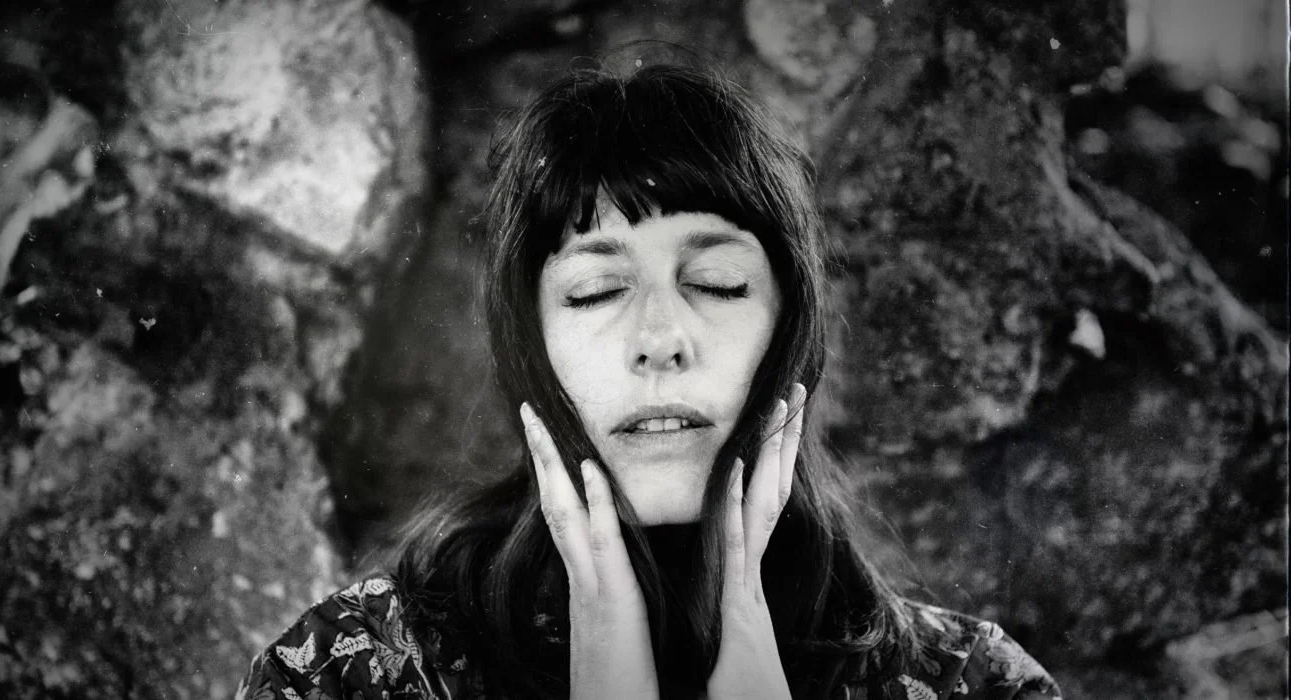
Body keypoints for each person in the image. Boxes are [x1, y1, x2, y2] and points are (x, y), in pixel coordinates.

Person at [235, 63, 1064, 700]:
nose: (660, 341)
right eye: (597, 291)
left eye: (716, 284)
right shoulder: (351, 673)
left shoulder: (975, 684)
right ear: (530, 346)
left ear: (791, 333)